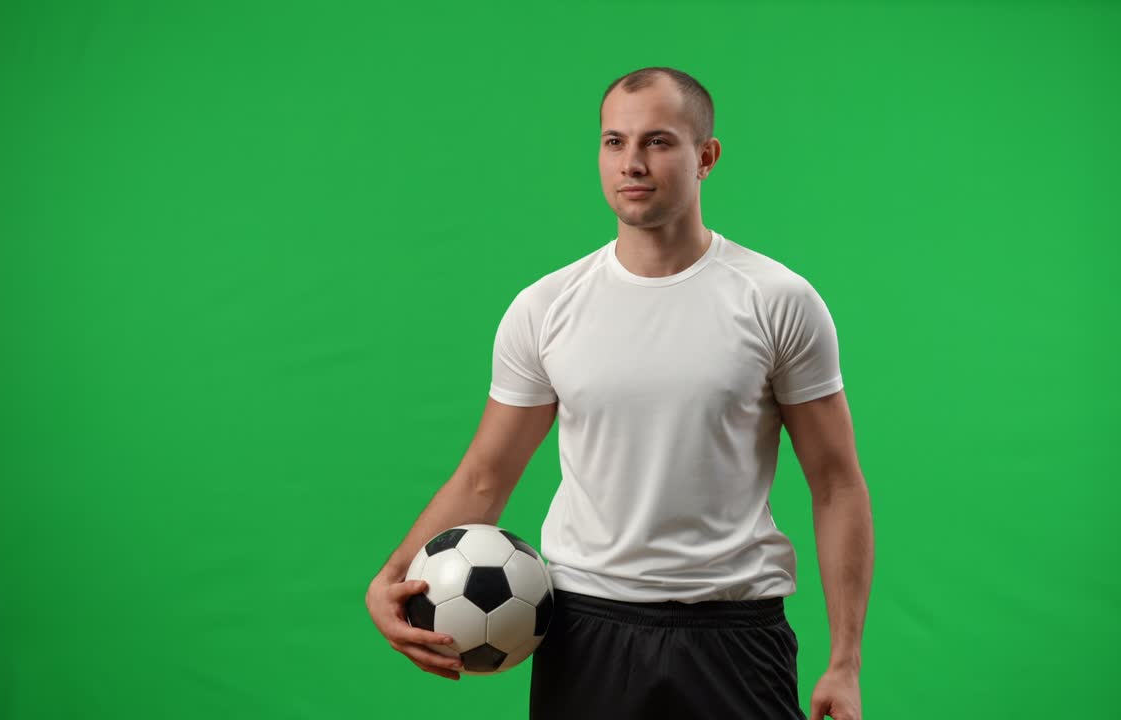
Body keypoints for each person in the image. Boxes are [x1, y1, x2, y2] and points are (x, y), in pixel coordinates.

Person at [365, 66, 873, 720]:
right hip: (586, 632)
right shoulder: (545, 307)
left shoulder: (777, 301)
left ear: (706, 157)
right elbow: (485, 476)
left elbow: (836, 483)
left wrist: (846, 661)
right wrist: (394, 575)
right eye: (614, 142)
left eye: (658, 142)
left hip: (735, 632)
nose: (632, 162)